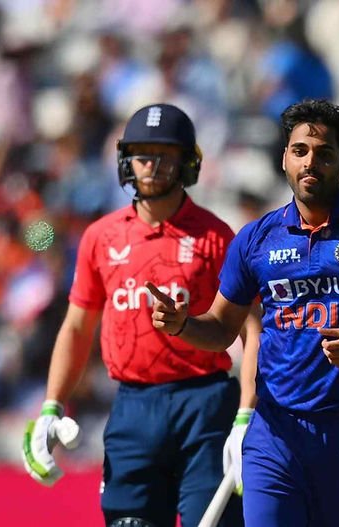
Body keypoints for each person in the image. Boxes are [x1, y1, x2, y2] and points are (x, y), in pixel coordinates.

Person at [147, 98, 339, 526]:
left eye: (324, 154)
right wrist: (182, 325)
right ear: (285, 158)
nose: (311, 163)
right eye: (300, 151)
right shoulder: (256, 239)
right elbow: (220, 328)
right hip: (275, 430)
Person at [22, 102, 251, 527]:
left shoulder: (217, 236)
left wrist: (247, 413)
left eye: (165, 154)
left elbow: (253, 330)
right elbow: (76, 326)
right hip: (132, 407)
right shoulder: (101, 237)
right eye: (143, 153)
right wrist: (52, 405)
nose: (151, 165)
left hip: (205, 404)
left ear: (188, 162)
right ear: (126, 159)